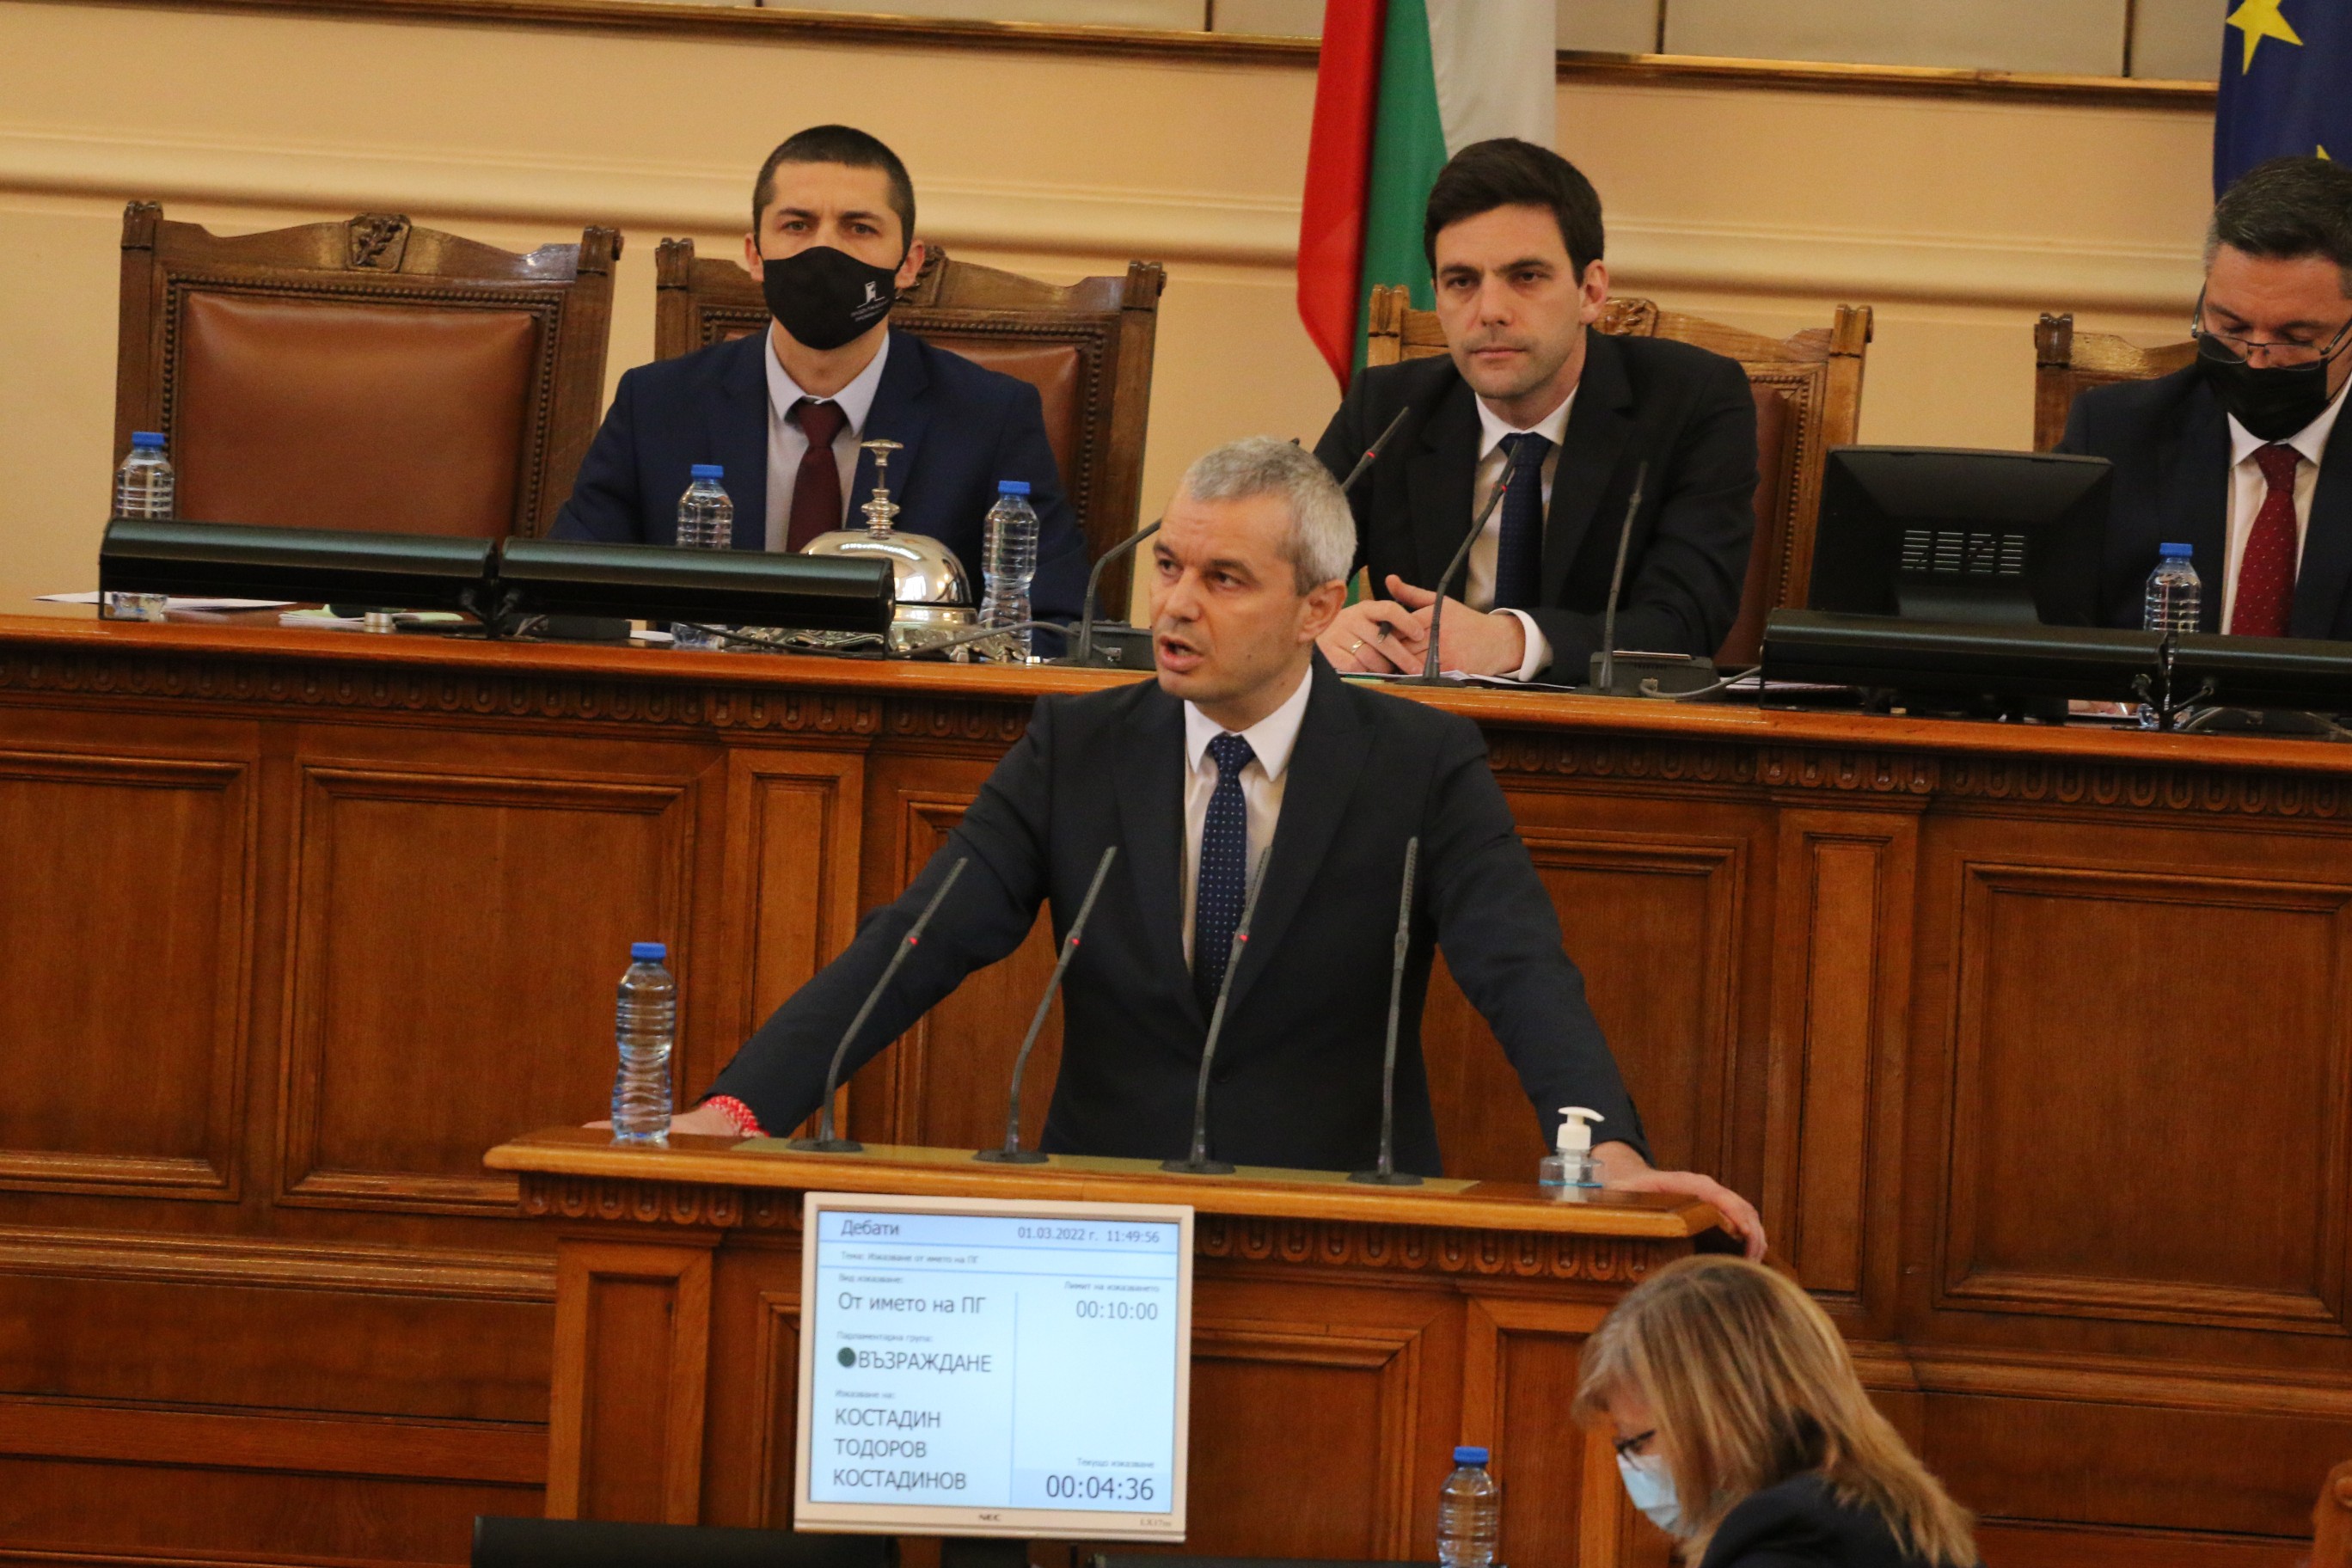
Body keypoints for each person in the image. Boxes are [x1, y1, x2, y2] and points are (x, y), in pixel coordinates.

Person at [652, 437, 1765, 1256]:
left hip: (1342, 1227)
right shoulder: (1076, 749)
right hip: (1101, 1220)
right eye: (1170, 567)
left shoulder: (1419, 764)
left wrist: (1607, 1152)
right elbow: (915, 944)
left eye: (1224, 579)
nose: (1178, 606)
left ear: (1317, 608)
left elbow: (1522, 972)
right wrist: (738, 1111)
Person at [551, 124, 1090, 621]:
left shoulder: (990, 417)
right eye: (797, 225)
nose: (824, 249)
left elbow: (1054, 623)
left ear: (908, 263)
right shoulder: (656, 404)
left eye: (859, 227)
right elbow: (563, 601)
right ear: (755, 254)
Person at [1312, 138, 1758, 683]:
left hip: (1605, 729)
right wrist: (1316, 630)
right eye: (1462, 282)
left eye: (1526, 277)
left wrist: (1512, 641)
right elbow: (1275, 576)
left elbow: (1686, 622)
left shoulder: (1692, 400)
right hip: (1417, 723)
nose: (1490, 311)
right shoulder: (1387, 408)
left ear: (1590, 291)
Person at [2061, 156, 2352, 638]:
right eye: (2231, 326)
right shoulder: (2115, 436)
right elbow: (2052, 630)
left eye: (2296, 338)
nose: (2255, 360)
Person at [1575, 1256, 1978, 1566]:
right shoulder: (1881, 1505)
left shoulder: (1787, 1537)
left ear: (1720, 1414)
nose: (1631, 1467)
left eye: (1636, 1442)